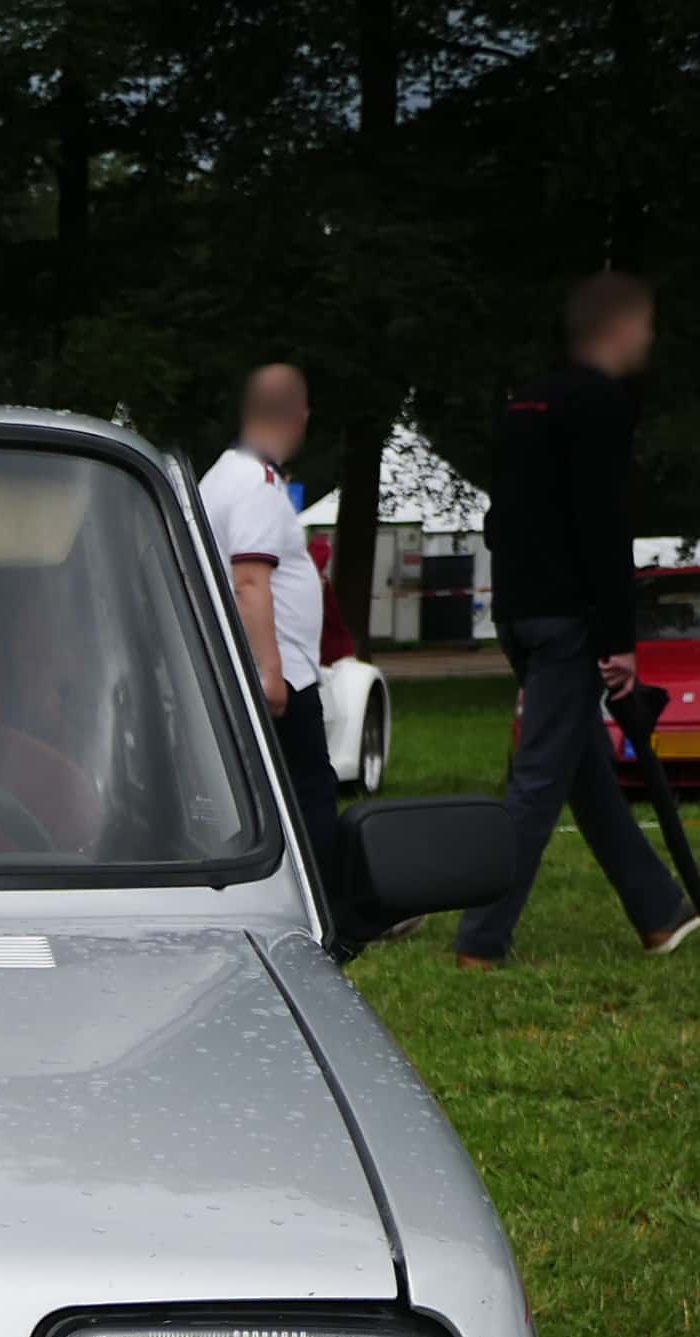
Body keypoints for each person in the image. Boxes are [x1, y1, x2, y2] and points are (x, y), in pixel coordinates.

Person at [456, 271, 700, 967]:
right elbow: (603, 524)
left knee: (581, 766)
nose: (648, 339)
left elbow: (501, 520)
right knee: (539, 778)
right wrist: (619, 639)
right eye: (644, 326)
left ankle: (659, 912)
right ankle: (480, 936)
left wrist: (513, 609)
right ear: (618, 327)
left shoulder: (522, 405)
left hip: (521, 611)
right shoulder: (598, 403)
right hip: (569, 616)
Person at [198, 364, 386, 954]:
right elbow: (251, 581)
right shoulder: (255, 485)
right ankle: (330, 922)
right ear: (298, 414)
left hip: (246, 668)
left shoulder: (216, 479)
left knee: (267, 800)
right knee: (310, 795)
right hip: (282, 676)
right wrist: (271, 673)